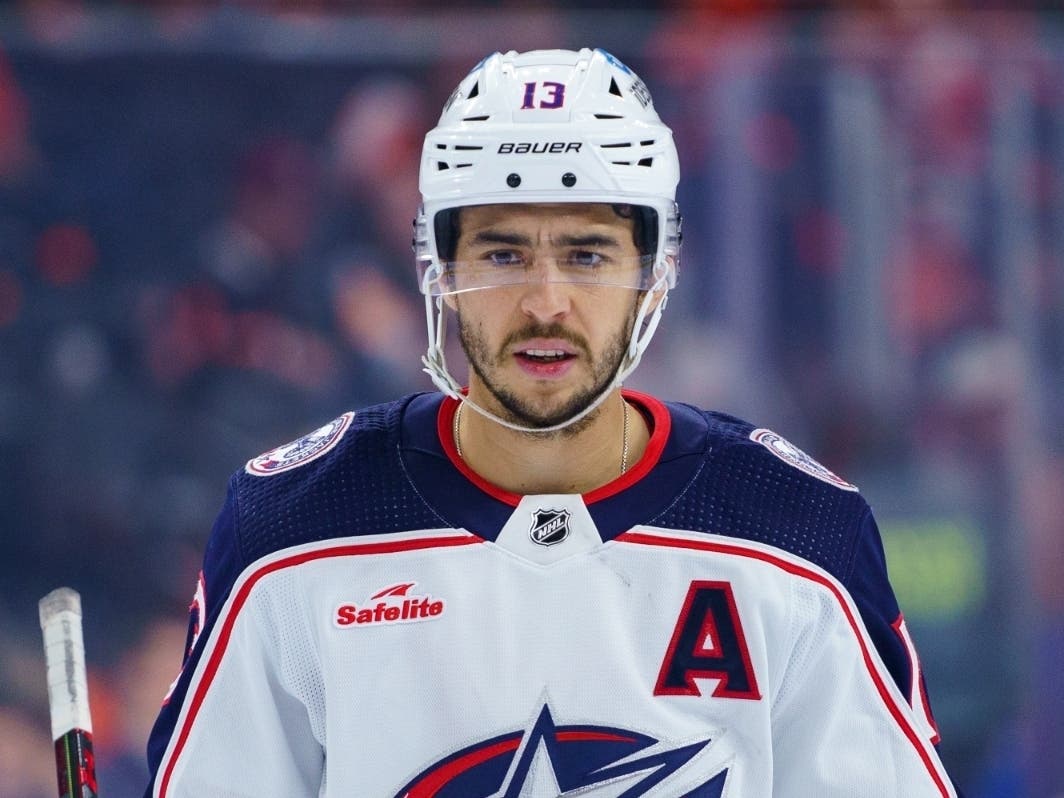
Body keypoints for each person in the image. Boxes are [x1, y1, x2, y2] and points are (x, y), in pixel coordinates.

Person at [143, 48, 959, 797]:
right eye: (502, 254)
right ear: (437, 267)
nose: (544, 302)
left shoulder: (796, 534)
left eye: (587, 255)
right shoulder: (292, 532)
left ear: (654, 272)